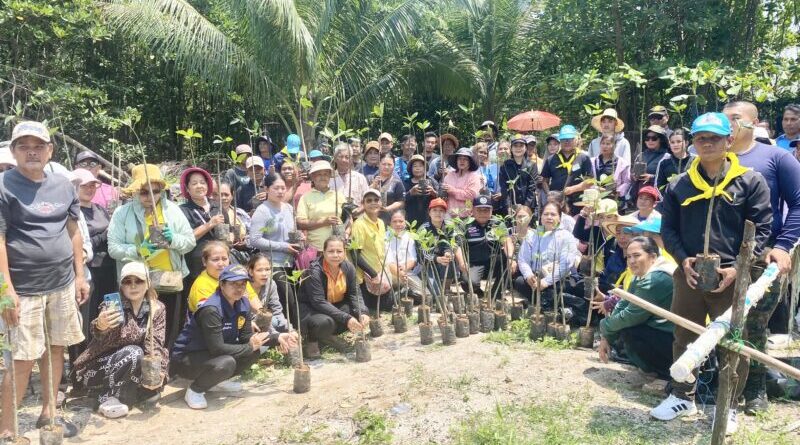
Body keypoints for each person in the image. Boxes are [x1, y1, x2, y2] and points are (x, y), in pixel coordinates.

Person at [651, 113, 772, 435]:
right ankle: (682, 396)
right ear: (693, 142)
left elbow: (762, 230)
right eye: (701, 138)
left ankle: (728, 404)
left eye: (714, 137)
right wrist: (683, 260)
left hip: (733, 276)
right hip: (689, 274)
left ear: (729, 141)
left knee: (732, 342)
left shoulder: (750, 181)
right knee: (684, 334)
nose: (707, 143)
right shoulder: (680, 184)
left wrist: (738, 269)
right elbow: (668, 229)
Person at [0, 121, 88, 438]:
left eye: (38, 146)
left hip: (61, 283)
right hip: (23, 289)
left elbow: (73, 231)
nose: (32, 152)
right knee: (22, 359)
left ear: (50, 151)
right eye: (24, 146)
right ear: (13, 151)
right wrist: (5, 292)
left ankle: (49, 414)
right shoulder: (3, 186)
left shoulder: (63, 185)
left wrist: (80, 275)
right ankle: (7, 429)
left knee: (56, 349)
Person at [723, 101, 800, 414]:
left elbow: (798, 204)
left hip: (763, 255)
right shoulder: (711, 157)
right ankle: (719, 384)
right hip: (720, 255)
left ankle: (755, 388)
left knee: (755, 324)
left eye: (735, 118)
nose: (728, 124)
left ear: (753, 123)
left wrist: (783, 245)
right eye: (724, 119)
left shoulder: (776, 157)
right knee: (719, 320)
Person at [172, 264, 297, 409]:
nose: (239, 288)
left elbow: (246, 337)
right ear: (222, 284)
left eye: (243, 284)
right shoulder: (211, 309)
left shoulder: (243, 303)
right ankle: (195, 390)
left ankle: (215, 381)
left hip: (212, 354)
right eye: (233, 284)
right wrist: (250, 346)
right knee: (227, 362)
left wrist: (277, 337)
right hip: (188, 358)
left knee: (254, 351)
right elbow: (217, 348)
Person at [107, 164, 196, 348]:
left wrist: (173, 240)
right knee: (137, 332)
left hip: (170, 280)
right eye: (144, 192)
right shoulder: (122, 213)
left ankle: (165, 363)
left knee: (169, 330)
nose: (150, 197)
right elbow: (113, 249)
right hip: (137, 282)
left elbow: (189, 242)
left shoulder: (172, 210)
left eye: (155, 191)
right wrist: (137, 250)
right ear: (135, 192)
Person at [73, 262, 168, 418]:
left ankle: (128, 394)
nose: (133, 286)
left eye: (139, 281)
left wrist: (158, 371)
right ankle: (106, 397)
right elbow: (100, 335)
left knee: (154, 379)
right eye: (127, 281)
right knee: (134, 352)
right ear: (121, 285)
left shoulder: (157, 308)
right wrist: (101, 325)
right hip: (99, 366)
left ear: (148, 283)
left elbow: (156, 343)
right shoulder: (111, 306)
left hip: (134, 365)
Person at [598, 237, 675, 379]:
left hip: (675, 338)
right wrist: (606, 337)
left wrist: (604, 326)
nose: (632, 261)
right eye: (629, 257)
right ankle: (653, 370)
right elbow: (623, 304)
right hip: (661, 332)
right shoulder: (640, 274)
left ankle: (665, 376)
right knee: (623, 328)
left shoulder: (655, 279)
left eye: (637, 255)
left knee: (630, 330)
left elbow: (629, 316)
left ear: (653, 257)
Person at [298, 237, 370, 359]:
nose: (335, 255)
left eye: (339, 251)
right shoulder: (314, 271)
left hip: (334, 306)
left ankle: (327, 336)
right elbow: (318, 302)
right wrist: (346, 318)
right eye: (331, 251)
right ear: (324, 252)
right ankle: (311, 340)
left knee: (357, 312)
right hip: (312, 310)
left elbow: (355, 294)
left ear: (344, 252)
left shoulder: (348, 268)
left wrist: (362, 312)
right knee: (324, 323)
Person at [249, 173, 300, 322]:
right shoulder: (262, 211)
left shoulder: (288, 208)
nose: (280, 191)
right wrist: (283, 246)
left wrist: (299, 238)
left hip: (291, 262)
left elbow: (292, 232)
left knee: (295, 299)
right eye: (276, 188)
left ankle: (295, 330)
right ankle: (287, 330)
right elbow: (255, 240)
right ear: (266, 189)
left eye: (283, 188)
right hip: (273, 263)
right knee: (287, 300)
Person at [74, 169, 116, 346]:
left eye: (92, 185)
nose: (89, 189)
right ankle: (81, 354)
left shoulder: (100, 209)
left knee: (107, 312)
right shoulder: (73, 212)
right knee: (86, 314)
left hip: (109, 267)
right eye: (84, 186)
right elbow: (80, 244)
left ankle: (102, 351)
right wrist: (103, 236)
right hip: (88, 269)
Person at [514, 202, 580, 309]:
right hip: (537, 278)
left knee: (561, 288)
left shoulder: (566, 236)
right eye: (546, 214)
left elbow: (566, 264)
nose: (549, 217)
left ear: (559, 218)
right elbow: (523, 259)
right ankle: (547, 302)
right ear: (541, 217)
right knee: (519, 282)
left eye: (553, 214)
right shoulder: (533, 235)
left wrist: (546, 282)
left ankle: (544, 302)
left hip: (560, 279)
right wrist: (529, 275)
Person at [187, 241, 262, 314]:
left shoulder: (236, 275)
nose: (221, 264)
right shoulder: (201, 286)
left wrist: (262, 314)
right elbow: (210, 315)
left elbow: (252, 298)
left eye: (224, 259)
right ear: (204, 261)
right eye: (215, 259)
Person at [350, 189, 392, 311]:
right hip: (365, 276)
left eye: (376, 200)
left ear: (381, 202)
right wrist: (373, 274)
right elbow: (355, 254)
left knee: (389, 306)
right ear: (363, 204)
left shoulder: (381, 222)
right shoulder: (359, 224)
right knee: (370, 309)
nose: (373, 203)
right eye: (369, 201)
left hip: (380, 272)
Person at [456, 196, 505, 300]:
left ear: (491, 210)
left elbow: (507, 241)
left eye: (486, 210)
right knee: (467, 283)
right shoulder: (465, 224)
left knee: (509, 261)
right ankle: (478, 292)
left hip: (494, 264)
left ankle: (496, 293)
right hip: (474, 264)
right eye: (479, 210)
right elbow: (457, 245)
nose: (483, 213)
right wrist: (461, 262)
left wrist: (511, 258)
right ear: (473, 210)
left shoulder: (498, 224)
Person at [179, 167, 224, 279]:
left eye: (202, 182)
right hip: (196, 265)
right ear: (187, 188)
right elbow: (186, 238)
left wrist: (232, 236)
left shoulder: (217, 206)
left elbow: (230, 230)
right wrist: (209, 224)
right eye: (194, 183)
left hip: (220, 262)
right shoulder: (183, 210)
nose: (199, 186)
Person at [540, 125, 593, 213]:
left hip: (578, 203)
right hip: (557, 203)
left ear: (576, 140)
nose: (567, 142)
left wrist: (573, 189)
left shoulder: (583, 158)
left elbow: (590, 181)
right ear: (560, 141)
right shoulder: (551, 159)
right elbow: (544, 180)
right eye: (564, 139)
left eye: (570, 139)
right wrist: (549, 194)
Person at [296, 160, 345, 252]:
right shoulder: (306, 197)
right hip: (316, 249)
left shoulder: (339, 195)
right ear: (313, 177)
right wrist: (323, 222)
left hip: (338, 249)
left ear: (330, 176)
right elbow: (300, 223)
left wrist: (346, 233)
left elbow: (348, 219)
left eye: (326, 174)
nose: (323, 177)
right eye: (319, 174)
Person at [418, 199, 457, 301]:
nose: (438, 213)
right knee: (436, 295)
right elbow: (421, 253)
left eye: (441, 211)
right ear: (429, 212)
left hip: (443, 262)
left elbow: (452, 243)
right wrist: (436, 259)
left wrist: (448, 252)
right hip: (427, 264)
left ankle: (446, 288)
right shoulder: (423, 229)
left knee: (451, 260)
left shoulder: (449, 226)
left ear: (445, 213)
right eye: (434, 210)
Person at [385, 210, 423, 303]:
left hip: (407, 272)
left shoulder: (409, 236)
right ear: (390, 223)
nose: (398, 224)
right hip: (390, 273)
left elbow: (413, 259)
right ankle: (398, 294)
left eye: (401, 221)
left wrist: (404, 268)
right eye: (394, 221)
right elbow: (388, 261)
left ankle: (404, 293)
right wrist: (399, 273)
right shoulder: (385, 237)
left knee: (424, 295)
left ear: (405, 223)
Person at [247, 254, 289, 332]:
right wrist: (276, 335)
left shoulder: (270, 284)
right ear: (251, 272)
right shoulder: (243, 286)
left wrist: (290, 329)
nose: (264, 274)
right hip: (247, 325)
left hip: (265, 322)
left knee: (277, 321)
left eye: (267, 269)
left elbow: (277, 311)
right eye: (259, 270)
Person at [499, 135, 539, 215]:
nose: (518, 148)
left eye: (521, 146)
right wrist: (509, 206)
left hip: (528, 207)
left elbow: (532, 188)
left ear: (526, 148)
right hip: (510, 208)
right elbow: (504, 189)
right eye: (515, 146)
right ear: (511, 148)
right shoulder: (505, 166)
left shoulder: (532, 165)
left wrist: (526, 207)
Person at [441, 147, 482, 217]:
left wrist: (453, 190)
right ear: (456, 161)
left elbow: (472, 195)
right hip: (449, 215)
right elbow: (443, 194)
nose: (462, 161)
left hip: (466, 216)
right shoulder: (449, 176)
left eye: (465, 159)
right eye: (459, 158)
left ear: (470, 162)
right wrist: (443, 194)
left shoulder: (474, 177)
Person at [331, 143, 369, 214]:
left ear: (351, 159)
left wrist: (359, 210)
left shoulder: (360, 178)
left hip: (357, 216)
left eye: (347, 157)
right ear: (335, 158)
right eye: (340, 157)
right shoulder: (329, 178)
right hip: (334, 217)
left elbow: (368, 199)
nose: (344, 160)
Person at [217, 181, 251, 262]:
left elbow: (253, 233)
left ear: (232, 196)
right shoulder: (212, 214)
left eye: (226, 195)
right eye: (220, 195)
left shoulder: (240, 213)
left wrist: (246, 242)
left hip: (244, 256)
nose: (223, 198)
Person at [368, 153, 405, 225]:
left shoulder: (397, 182)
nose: (386, 167)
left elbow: (401, 201)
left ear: (394, 165)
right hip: (371, 217)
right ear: (379, 164)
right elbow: (364, 196)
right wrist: (373, 185)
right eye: (384, 164)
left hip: (389, 219)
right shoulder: (370, 179)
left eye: (389, 164)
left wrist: (387, 208)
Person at [403, 154, 439, 228]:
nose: (418, 168)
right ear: (411, 169)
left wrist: (433, 193)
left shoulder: (432, 181)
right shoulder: (406, 182)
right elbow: (401, 200)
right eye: (415, 166)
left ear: (425, 168)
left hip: (428, 218)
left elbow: (441, 199)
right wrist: (410, 192)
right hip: (411, 218)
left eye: (420, 166)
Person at [592, 134, 631, 199]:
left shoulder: (622, 163)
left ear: (615, 146)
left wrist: (617, 192)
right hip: (596, 197)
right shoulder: (592, 162)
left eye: (608, 144)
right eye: (603, 143)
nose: (605, 146)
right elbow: (587, 180)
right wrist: (595, 188)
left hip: (615, 198)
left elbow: (627, 182)